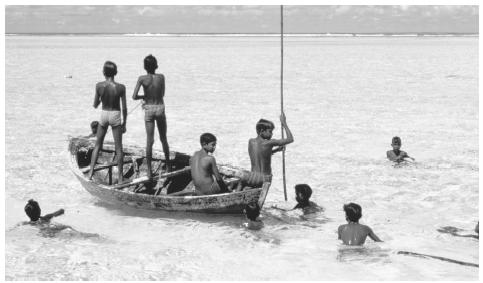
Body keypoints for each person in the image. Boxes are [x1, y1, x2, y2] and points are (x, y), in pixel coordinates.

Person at [132, 54, 171, 182]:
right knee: (163, 138)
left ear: (144, 67)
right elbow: (163, 94)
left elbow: (134, 96)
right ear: (156, 66)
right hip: (160, 107)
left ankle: (149, 170)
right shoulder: (161, 77)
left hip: (149, 108)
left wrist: (144, 96)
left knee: (150, 140)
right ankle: (168, 166)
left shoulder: (142, 78)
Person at [88, 61, 127, 184]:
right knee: (119, 148)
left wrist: (100, 98)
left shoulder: (99, 86)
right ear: (115, 73)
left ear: (104, 72)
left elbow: (95, 105)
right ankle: (120, 179)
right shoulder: (121, 87)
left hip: (104, 114)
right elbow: (124, 108)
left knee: (98, 145)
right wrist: (124, 123)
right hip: (115, 114)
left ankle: (90, 173)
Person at [234, 112, 294, 190]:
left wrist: (275, 150)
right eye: (270, 131)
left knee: (240, 184)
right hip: (265, 178)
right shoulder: (269, 143)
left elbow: (261, 155)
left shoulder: (251, 142)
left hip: (252, 176)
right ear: (262, 131)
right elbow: (290, 139)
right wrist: (284, 123)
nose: (272, 134)